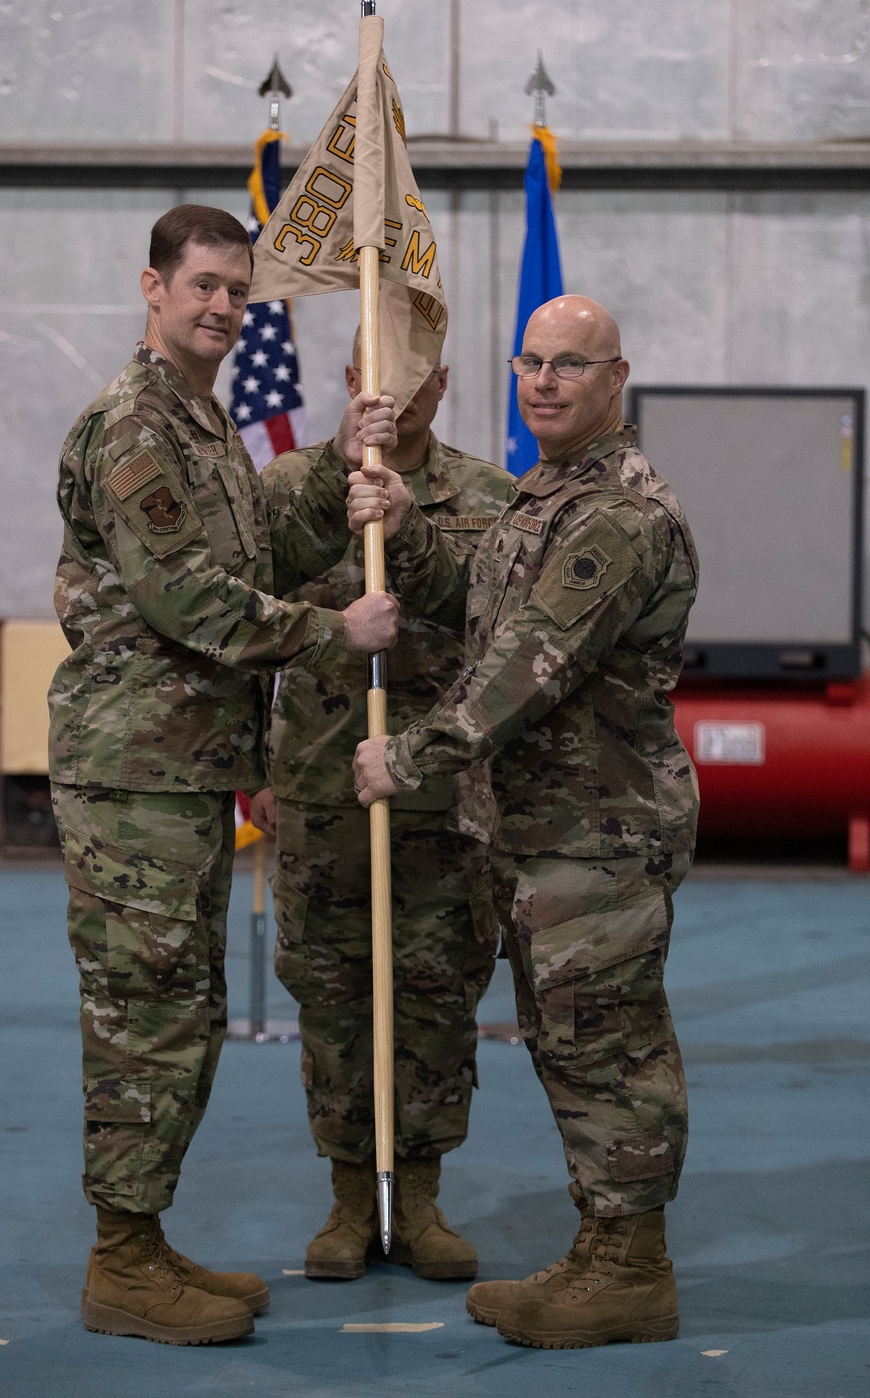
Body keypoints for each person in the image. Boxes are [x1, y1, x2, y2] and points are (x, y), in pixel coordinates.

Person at [49, 205, 399, 1346]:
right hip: (134, 775)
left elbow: (244, 553)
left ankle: (142, 1243)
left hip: (184, 771)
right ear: (150, 287)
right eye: (201, 285)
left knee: (183, 1011)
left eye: (238, 293)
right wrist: (330, 635)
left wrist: (340, 472)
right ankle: (121, 1262)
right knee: (146, 1016)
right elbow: (186, 601)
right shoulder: (134, 428)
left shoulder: (203, 424)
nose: (222, 308)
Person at [350, 295, 699, 1349]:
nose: (544, 381)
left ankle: (633, 1269)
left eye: (570, 365)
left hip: (598, 831)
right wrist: (408, 538)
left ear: (615, 377)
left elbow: (526, 666)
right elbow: (485, 605)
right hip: (541, 829)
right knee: (566, 1044)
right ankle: (603, 1248)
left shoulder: (620, 515)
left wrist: (405, 757)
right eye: (530, 363)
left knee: (610, 1048)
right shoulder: (548, 494)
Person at [250, 332, 515, 1282]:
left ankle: (426, 1196)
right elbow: (243, 620)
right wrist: (257, 766)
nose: (393, 397)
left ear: (443, 384)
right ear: (351, 378)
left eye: (414, 379)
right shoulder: (289, 490)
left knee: (439, 993)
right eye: (376, 377)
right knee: (332, 997)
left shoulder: (489, 498)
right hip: (320, 792)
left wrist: (412, 532)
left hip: (441, 798)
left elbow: (500, 629)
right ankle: (351, 1199)